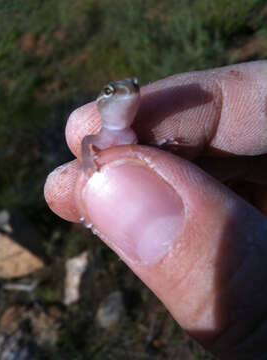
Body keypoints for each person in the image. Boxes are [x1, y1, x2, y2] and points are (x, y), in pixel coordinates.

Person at [44, 61, 267, 359]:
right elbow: (87, 142)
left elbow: (145, 152)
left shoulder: (130, 136)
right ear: (102, 103)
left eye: (133, 87)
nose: (128, 93)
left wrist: (161, 144)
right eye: (112, 91)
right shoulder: (107, 135)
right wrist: (87, 160)